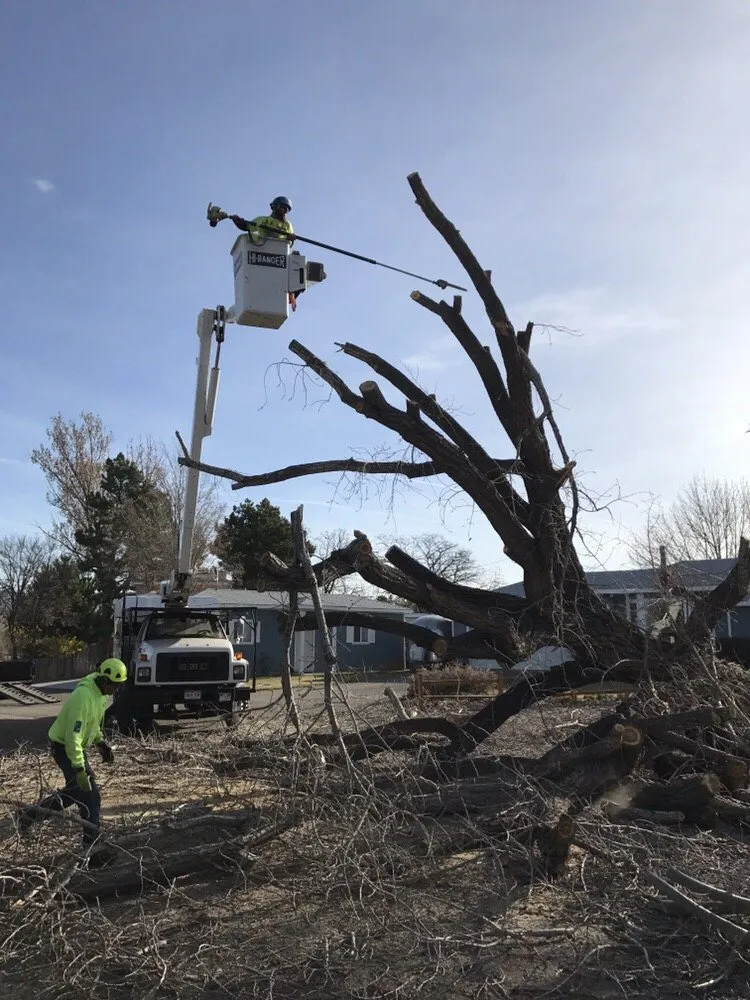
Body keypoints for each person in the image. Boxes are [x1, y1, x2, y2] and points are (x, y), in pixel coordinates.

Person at [18, 658, 127, 857]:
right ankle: (90, 847)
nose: (115, 690)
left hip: (73, 747)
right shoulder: (82, 697)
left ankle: (29, 815)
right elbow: (72, 738)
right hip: (65, 748)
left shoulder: (100, 694)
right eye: (114, 685)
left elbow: (93, 725)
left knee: (76, 793)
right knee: (90, 796)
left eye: (119, 686)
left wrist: (101, 743)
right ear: (104, 680)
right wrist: (79, 769)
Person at [229, 195, 294, 242]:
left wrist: (290, 238)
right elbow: (246, 226)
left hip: (278, 253)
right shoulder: (261, 219)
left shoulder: (287, 225)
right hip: (260, 250)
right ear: (275, 207)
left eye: (287, 209)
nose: (284, 211)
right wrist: (237, 221)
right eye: (282, 207)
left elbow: (289, 242)